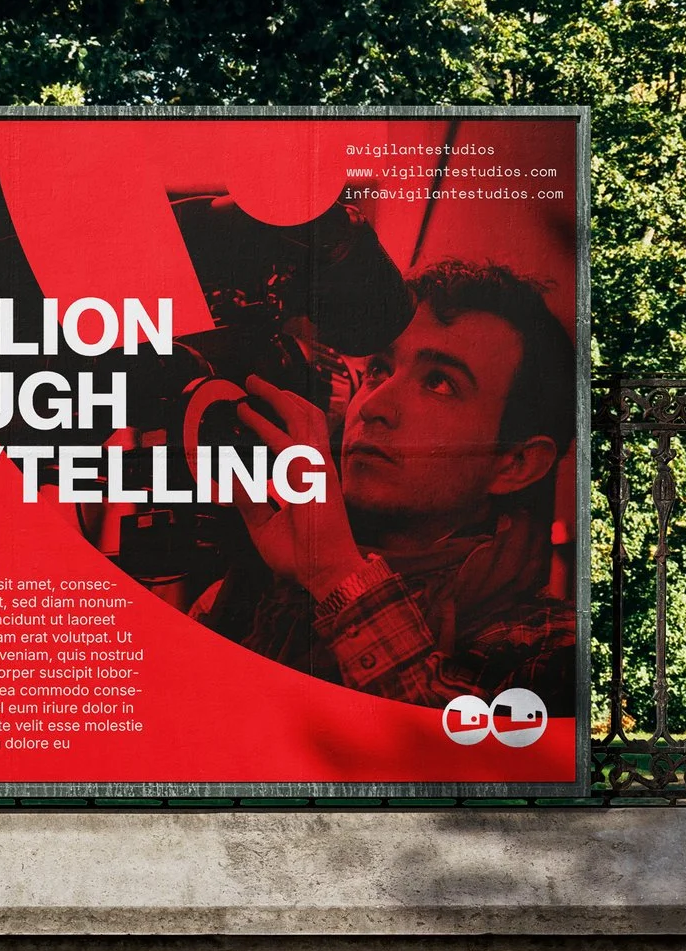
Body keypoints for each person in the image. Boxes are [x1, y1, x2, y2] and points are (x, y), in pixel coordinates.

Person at [198, 259, 577, 714]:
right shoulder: (266, 580)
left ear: (514, 463)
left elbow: (454, 760)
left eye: (440, 383)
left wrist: (335, 575)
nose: (374, 404)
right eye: (378, 369)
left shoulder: (552, 645)